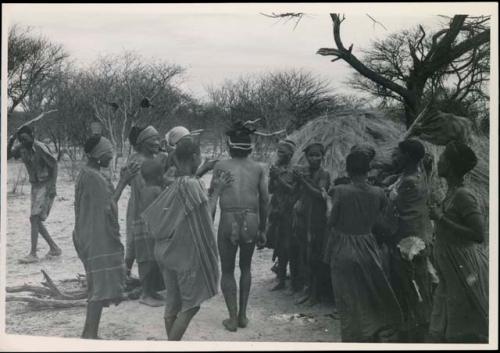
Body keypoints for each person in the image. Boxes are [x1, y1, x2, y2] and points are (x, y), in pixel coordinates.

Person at [142, 136, 233, 341]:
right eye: (200, 155)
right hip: (182, 253)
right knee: (192, 306)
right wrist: (216, 192)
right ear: (194, 157)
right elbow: (206, 218)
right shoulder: (193, 185)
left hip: (164, 251)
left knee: (172, 304)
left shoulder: (176, 183)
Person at [325, 150, 402, 342]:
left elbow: (331, 221)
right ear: (368, 171)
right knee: (369, 292)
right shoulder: (378, 193)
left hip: (343, 246)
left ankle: (353, 338)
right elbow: (386, 222)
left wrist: (326, 201)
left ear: (348, 170)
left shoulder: (340, 191)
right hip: (368, 245)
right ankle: (371, 332)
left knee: (347, 298)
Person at [73, 136, 139, 339]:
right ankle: (90, 334)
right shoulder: (92, 177)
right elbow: (108, 206)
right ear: (99, 154)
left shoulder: (89, 173)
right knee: (99, 288)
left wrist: (118, 180)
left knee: (97, 285)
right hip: (96, 238)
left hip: (89, 234)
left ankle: (89, 331)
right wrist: (123, 181)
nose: (111, 156)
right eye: (109, 153)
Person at [210, 121, 269, 332]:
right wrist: (263, 228)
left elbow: (213, 195)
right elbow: (264, 199)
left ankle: (232, 318)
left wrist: (210, 223)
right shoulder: (259, 168)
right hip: (252, 220)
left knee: (227, 270)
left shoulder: (221, 166)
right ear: (250, 147)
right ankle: (243, 316)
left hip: (228, 219)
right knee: (245, 267)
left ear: (229, 147)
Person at [428, 141, 488, 343]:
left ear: (451, 166)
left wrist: (441, 219)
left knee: (464, 328)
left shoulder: (463, 195)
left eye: (443, 158)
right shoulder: (452, 192)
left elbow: (478, 234)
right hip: (451, 268)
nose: (439, 161)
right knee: (449, 322)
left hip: (462, 267)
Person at [386, 138, 435, 342]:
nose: (393, 157)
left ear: (407, 156)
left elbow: (399, 208)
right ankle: (413, 325)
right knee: (412, 282)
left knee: (412, 284)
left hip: (411, 240)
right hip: (413, 236)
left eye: (397, 154)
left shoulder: (410, 181)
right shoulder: (413, 176)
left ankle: (417, 330)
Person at [125, 125, 167, 306]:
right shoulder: (136, 162)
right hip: (141, 211)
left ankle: (149, 288)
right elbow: (143, 190)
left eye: (158, 139)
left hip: (151, 210)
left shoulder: (154, 158)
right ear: (142, 143)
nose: (157, 143)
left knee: (150, 250)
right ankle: (145, 293)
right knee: (144, 251)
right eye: (153, 141)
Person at [7, 125, 62, 264]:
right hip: (35, 187)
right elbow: (6, 156)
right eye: (21, 139)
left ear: (32, 135)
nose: (23, 141)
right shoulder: (21, 148)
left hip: (46, 184)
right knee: (34, 220)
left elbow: (54, 165)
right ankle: (54, 248)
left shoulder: (40, 148)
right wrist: (11, 141)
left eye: (25, 138)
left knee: (35, 218)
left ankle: (33, 253)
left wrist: (52, 186)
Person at [292, 142, 331, 306]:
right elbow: (296, 192)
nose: (314, 158)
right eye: (311, 155)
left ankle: (315, 294)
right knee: (305, 256)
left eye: (317, 155)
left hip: (317, 220)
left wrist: (303, 181)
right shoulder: (305, 172)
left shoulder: (324, 174)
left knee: (315, 256)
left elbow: (319, 195)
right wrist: (297, 181)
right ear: (306, 157)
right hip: (303, 218)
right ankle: (308, 290)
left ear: (323, 157)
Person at [266, 139, 297, 291]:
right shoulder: (276, 168)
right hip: (278, 210)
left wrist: (277, 176)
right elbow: (271, 190)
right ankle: (281, 278)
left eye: (283, 152)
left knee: (288, 245)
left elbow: (293, 190)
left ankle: (291, 277)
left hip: (290, 212)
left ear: (290, 154)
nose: (279, 154)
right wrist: (273, 177)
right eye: (279, 151)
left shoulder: (296, 169)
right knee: (279, 244)